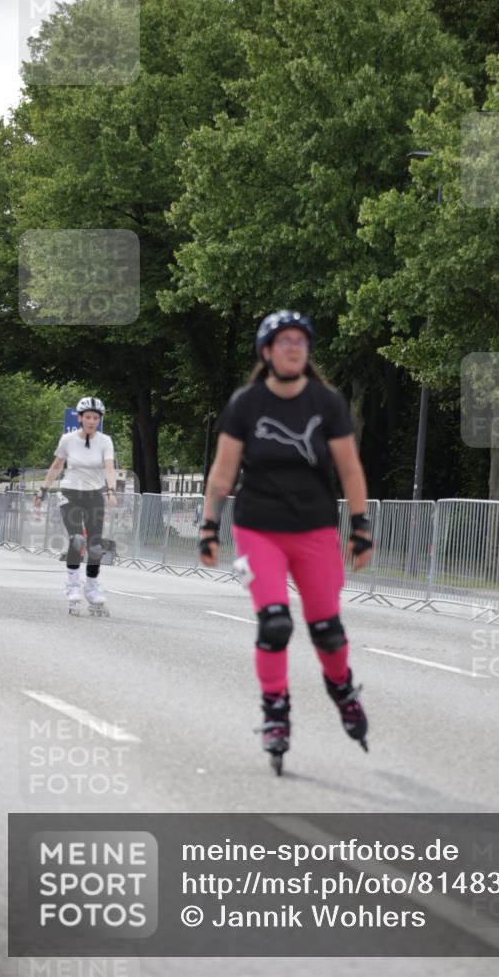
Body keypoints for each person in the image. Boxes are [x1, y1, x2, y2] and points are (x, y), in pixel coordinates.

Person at [199, 310, 373, 771]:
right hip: (260, 529)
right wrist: (209, 524)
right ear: (267, 351)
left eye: (300, 340)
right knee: (275, 624)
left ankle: (342, 689)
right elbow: (223, 470)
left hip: (315, 529)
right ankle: (276, 713)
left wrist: (361, 526)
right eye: (284, 340)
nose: (293, 347)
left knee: (328, 632)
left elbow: (350, 469)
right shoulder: (246, 404)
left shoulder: (327, 403)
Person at [35, 397, 117, 607]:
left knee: (96, 545)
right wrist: (43, 490)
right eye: (88, 417)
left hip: (93, 495)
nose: (91, 421)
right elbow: (56, 466)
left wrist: (111, 491)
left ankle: (91, 585)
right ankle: (72, 583)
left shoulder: (105, 441)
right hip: (70, 494)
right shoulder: (68, 439)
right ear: (80, 418)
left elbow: (109, 467)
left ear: (99, 420)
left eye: (95, 418)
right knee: (78, 539)